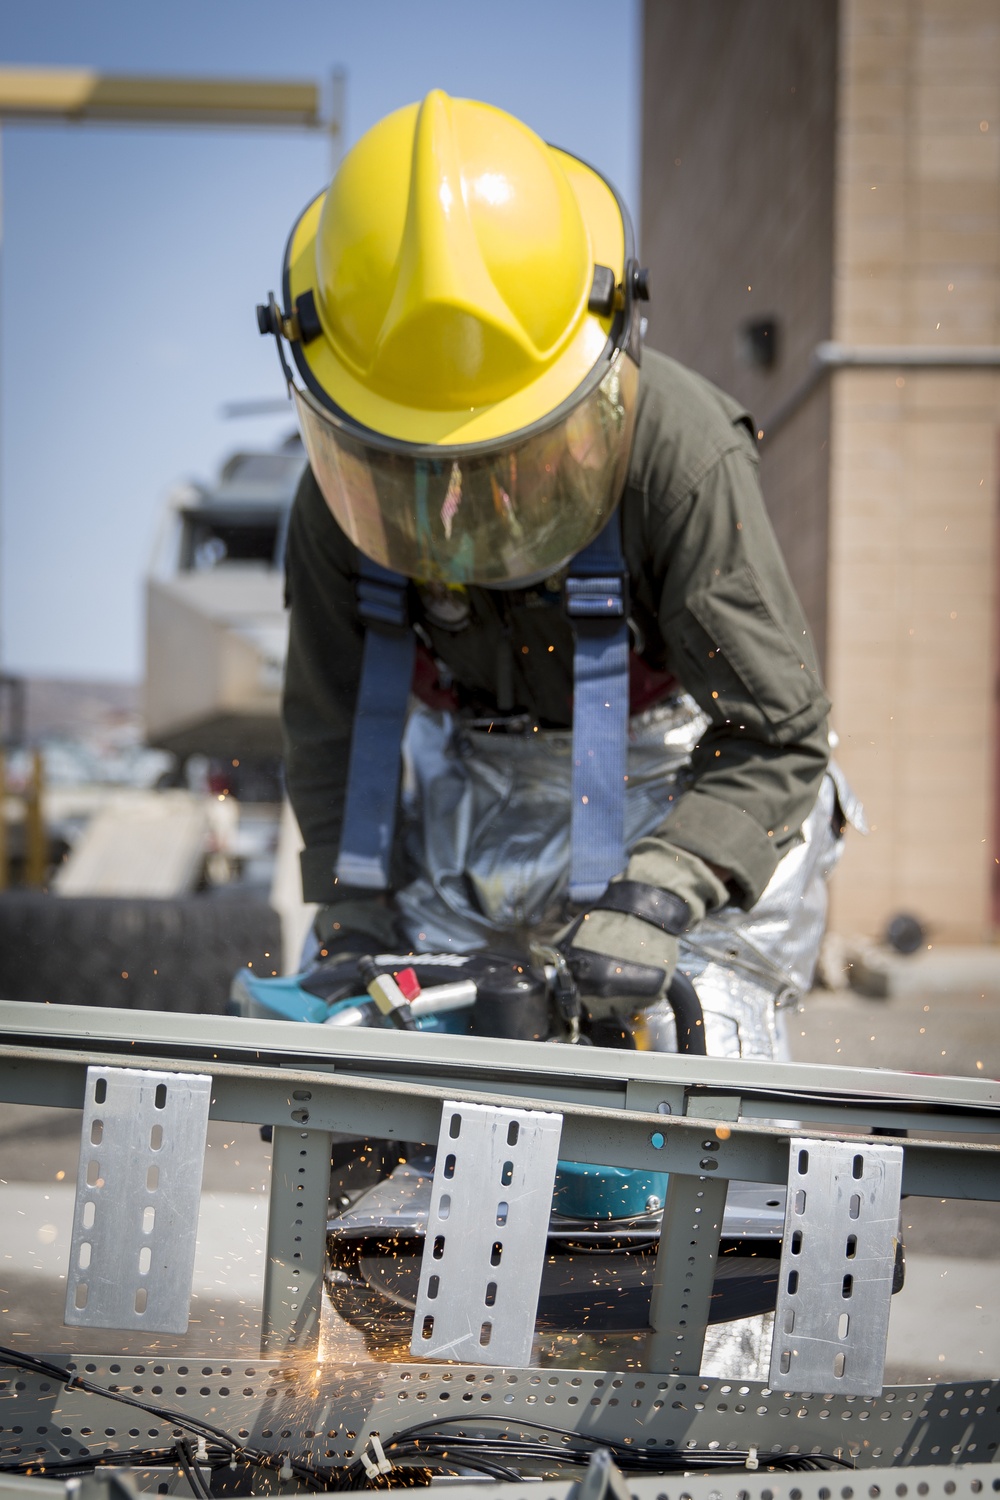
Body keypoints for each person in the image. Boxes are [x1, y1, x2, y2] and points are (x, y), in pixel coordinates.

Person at [258, 89, 847, 1061]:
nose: (465, 500)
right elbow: (330, 730)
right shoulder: (338, 500)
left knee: (695, 1089)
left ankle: (723, 1203)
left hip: (682, 782)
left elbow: (777, 731)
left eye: (500, 456)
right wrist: (351, 914)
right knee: (412, 1083)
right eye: (418, 461)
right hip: (472, 793)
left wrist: (664, 890)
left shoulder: (677, 455)